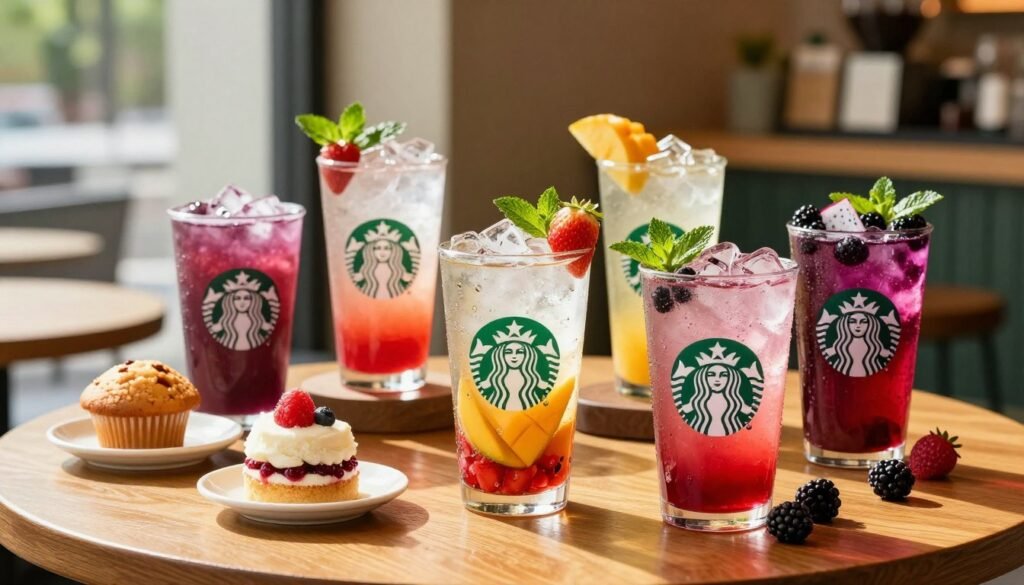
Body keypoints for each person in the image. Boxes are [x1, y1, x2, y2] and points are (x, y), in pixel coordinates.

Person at [679, 363, 752, 436]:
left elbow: (751, 413)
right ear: (703, 378)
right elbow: (683, 410)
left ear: (731, 379)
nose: (717, 379)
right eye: (711, 375)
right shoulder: (697, 401)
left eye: (724, 375)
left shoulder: (736, 402)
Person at [484, 341, 544, 410]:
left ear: (527, 355)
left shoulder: (534, 378)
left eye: (520, 352)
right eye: (508, 352)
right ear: (501, 355)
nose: (514, 356)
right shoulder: (494, 377)